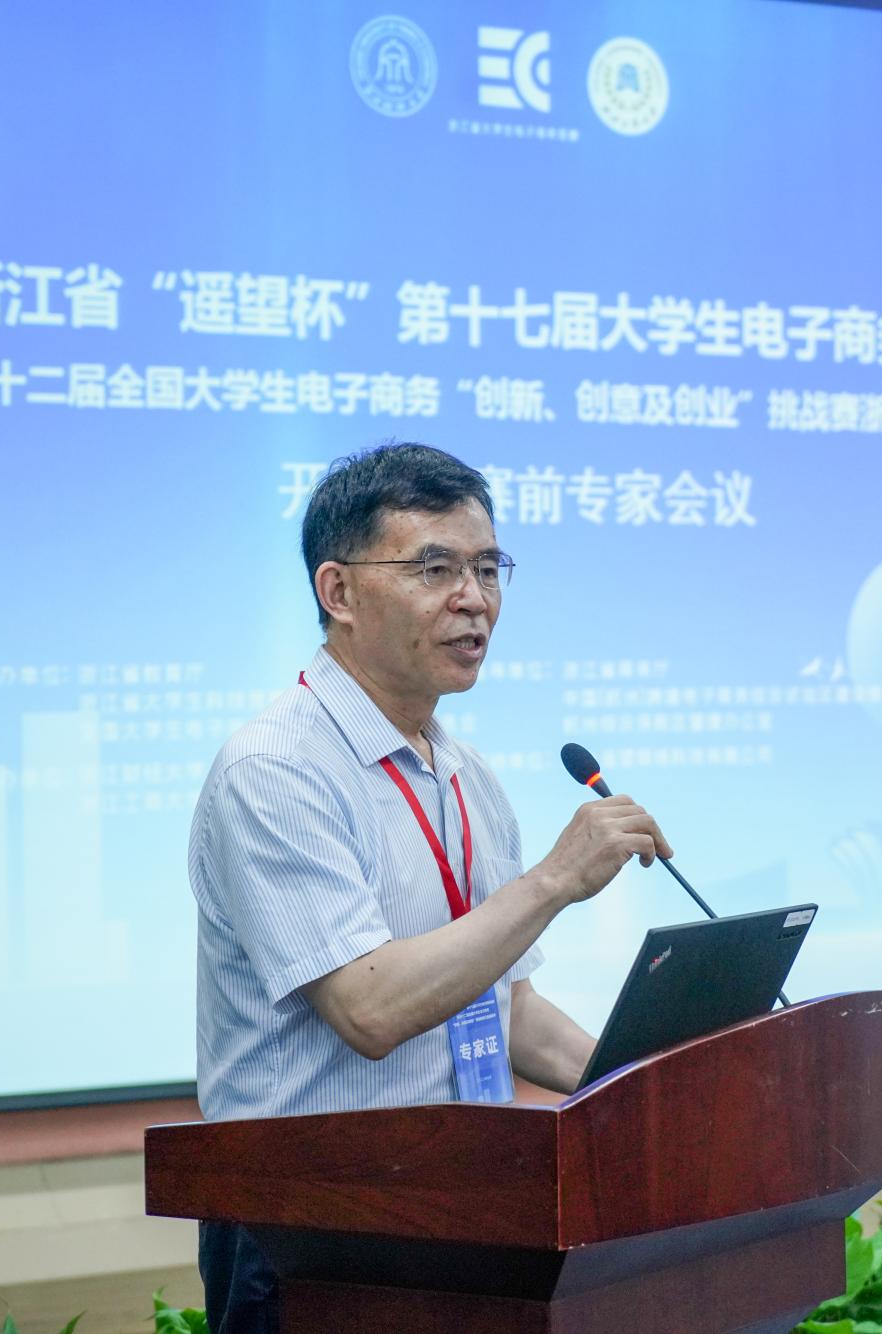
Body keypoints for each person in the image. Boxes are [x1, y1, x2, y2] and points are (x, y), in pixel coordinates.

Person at [186, 441, 671, 1333]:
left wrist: (644, 1091)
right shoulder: (276, 770)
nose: (474, 598)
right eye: (435, 569)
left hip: (459, 1198)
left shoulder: (465, 774)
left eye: (488, 569)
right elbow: (370, 1009)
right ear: (338, 592)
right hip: (307, 1226)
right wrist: (554, 881)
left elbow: (506, 1011)